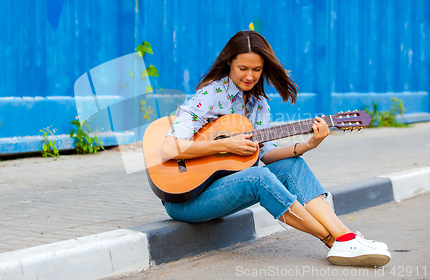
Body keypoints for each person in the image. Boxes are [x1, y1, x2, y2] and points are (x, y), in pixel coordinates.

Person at [160, 30, 390, 267]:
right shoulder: (210, 95)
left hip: (223, 191)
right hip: (186, 200)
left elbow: (267, 154)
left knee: (292, 165)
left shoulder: (259, 105)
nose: (250, 76)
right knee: (258, 177)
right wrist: (224, 144)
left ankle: (346, 237)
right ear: (229, 62)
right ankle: (335, 240)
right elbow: (168, 149)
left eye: (257, 70)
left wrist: (308, 145)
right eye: (243, 68)